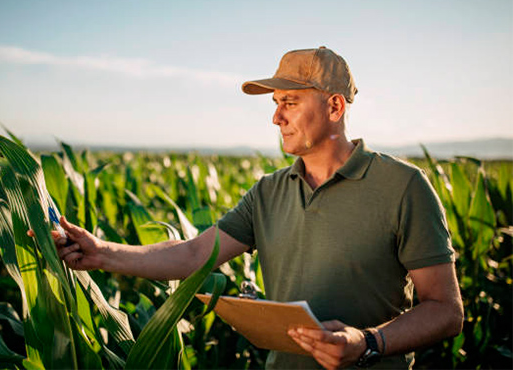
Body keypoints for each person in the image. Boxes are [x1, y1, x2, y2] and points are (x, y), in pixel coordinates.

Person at [48, 47, 464, 369]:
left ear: (335, 107)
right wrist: (102, 253)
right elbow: (194, 254)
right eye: (275, 103)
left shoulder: (403, 186)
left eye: (290, 102)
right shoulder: (268, 192)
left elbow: (446, 311)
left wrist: (367, 343)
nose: (276, 118)